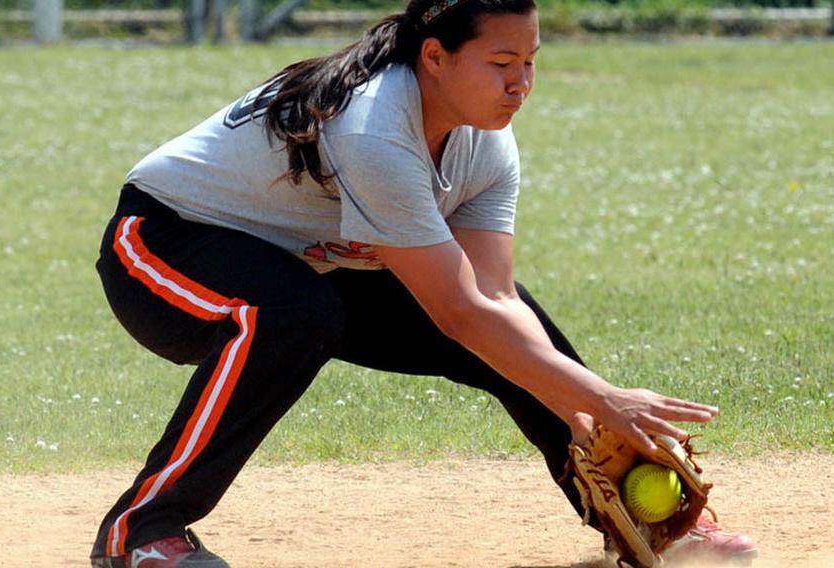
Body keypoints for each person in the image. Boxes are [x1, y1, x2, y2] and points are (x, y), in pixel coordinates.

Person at [90, 1, 757, 566]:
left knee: (516, 329)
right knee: (292, 311)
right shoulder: (376, 124)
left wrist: (591, 403)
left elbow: (492, 302)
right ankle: (142, 531)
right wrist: (606, 399)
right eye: (500, 64)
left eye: (530, 62)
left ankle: (647, 524)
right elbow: (459, 313)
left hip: (310, 266)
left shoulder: (486, 147)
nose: (521, 83)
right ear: (434, 57)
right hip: (160, 246)